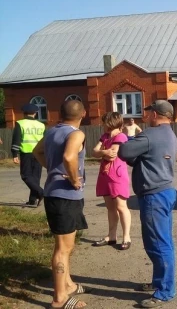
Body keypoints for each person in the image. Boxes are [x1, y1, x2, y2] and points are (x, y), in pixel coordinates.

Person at [118, 100, 177, 308]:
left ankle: (165, 291)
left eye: (148, 112)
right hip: (166, 192)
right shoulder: (169, 134)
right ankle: (159, 282)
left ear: (155, 114)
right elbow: (146, 158)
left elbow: (124, 152)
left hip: (154, 195)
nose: (146, 115)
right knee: (163, 241)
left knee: (158, 244)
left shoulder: (150, 135)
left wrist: (126, 134)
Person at [32, 100, 89, 309]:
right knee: (63, 248)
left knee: (67, 245)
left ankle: (68, 285)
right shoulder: (76, 134)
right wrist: (73, 179)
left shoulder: (51, 131)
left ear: (60, 113)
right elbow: (69, 156)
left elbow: (37, 152)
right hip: (65, 196)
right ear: (83, 113)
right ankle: (59, 299)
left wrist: (53, 169)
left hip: (55, 195)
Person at [92, 112, 132, 250]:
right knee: (110, 208)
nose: (102, 125)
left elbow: (112, 155)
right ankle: (112, 236)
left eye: (104, 122)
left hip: (117, 175)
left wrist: (102, 152)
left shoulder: (121, 136)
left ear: (110, 123)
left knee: (121, 207)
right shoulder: (105, 136)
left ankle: (126, 237)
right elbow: (94, 152)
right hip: (104, 175)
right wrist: (103, 152)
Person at [11, 103, 45, 206]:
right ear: (35, 113)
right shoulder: (41, 125)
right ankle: (32, 200)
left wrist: (15, 154)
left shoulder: (20, 123)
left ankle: (42, 193)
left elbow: (16, 140)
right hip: (39, 154)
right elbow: (45, 141)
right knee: (35, 177)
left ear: (24, 113)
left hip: (27, 153)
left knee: (25, 176)